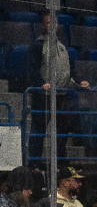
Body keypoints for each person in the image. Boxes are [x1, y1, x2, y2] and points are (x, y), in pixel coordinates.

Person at [27, 11, 90, 160]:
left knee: (61, 132)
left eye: (54, 22)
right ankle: (34, 163)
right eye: (49, 22)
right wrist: (41, 84)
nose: (52, 25)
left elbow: (71, 70)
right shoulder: (37, 45)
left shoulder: (63, 48)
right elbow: (32, 70)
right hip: (44, 96)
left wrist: (80, 81)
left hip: (61, 95)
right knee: (39, 130)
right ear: (44, 25)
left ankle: (60, 164)